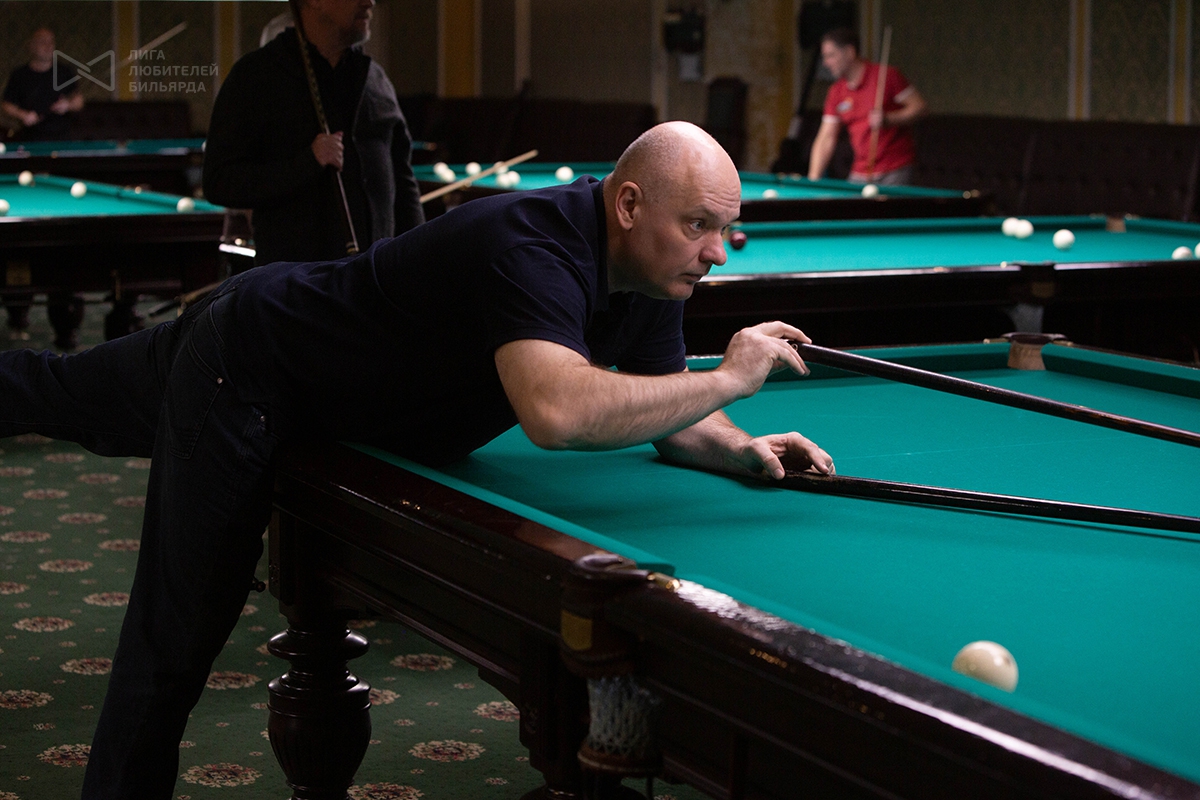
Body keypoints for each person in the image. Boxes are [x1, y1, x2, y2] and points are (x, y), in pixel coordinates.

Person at [0, 121, 833, 798]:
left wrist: (740, 448)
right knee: (174, 641)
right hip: (250, 365)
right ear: (627, 203)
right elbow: (557, 412)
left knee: (55, 390)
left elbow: (667, 414)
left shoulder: (649, 278)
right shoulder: (531, 246)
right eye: (698, 226)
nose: (717, 253)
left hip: (279, 344)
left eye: (723, 230)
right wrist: (729, 376)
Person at [202, 0, 424, 265]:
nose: (370, 1)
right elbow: (219, 182)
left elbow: (403, 184)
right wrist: (307, 163)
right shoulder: (255, 77)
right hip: (293, 281)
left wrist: (418, 261)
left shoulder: (375, 79)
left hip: (371, 278)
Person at [807, 27, 927, 185]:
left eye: (831, 55)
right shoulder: (836, 92)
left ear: (849, 52)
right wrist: (813, 180)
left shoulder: (886, 76)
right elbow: (826, 137)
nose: (825, 63)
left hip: (896, 168)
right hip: (861, 170)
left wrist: (889, 119)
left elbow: (920, 107)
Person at [1, 28, 84, 141]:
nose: (48, 46)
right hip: (30, 137)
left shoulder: (64, 72)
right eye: (42, 42)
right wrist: (23, 115)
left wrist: (68, 105)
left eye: (51, 42)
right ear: (32, 46)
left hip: (61, 137)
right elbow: (7, 104)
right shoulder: (19, 75)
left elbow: (79, 101)